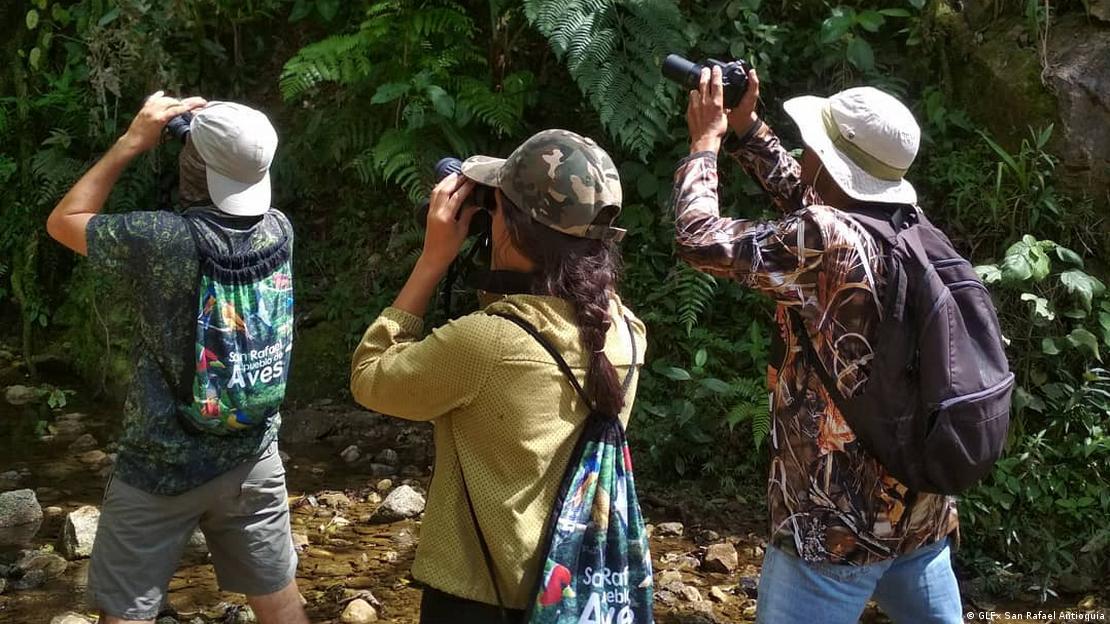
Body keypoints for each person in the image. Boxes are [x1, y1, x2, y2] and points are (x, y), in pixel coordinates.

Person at [674, 67, 963, 623]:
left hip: (834, 529)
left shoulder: (824, 239)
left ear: (831, 162)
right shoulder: (908, 225)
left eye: (814, 145)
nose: (806, 151)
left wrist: (705, 143)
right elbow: (813, 197)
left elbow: (699, 240)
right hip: (919, 511)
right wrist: (747, 129)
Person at [350, 129, 647, 623]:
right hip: (573, 593)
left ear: (513, 227)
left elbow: (370, 376)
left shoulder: (486, 344)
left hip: (477, 599)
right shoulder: (626, 334)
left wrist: (433, 259)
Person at [46, 93, 307, 624]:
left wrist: (131, 143)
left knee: (128, 613)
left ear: (194, 168)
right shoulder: (280, 229)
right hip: (252, 454)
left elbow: (65, 219)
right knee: (281, 606)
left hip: (161, 466)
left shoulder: (162, 240)